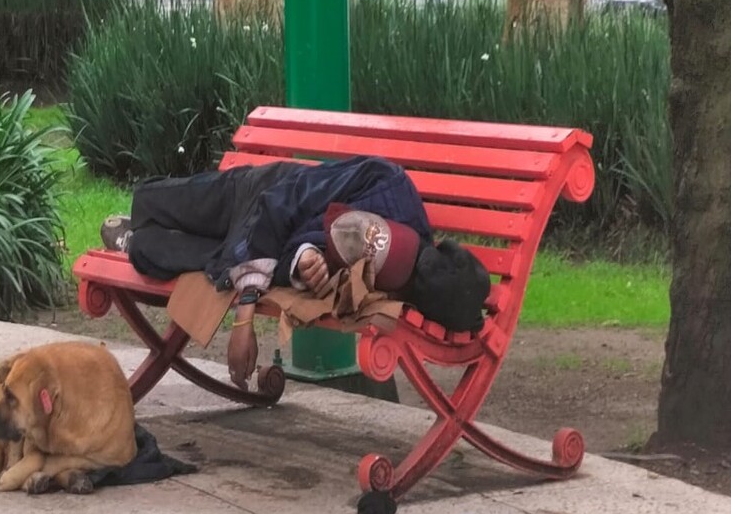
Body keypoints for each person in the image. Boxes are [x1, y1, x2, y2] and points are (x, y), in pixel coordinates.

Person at [100, 156, 489, 389]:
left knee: (167, 255)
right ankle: (143, 230)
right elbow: (282, 202)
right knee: (148, 199)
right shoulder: (388, 182)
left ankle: (136, 242)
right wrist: (245, 314)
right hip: (260, 194)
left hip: (252, 247)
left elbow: (292, 257)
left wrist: (303, 261)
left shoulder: (389, 286)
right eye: (405, 249)